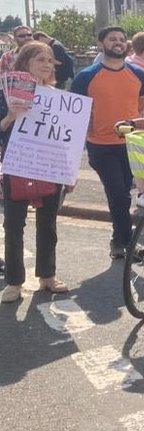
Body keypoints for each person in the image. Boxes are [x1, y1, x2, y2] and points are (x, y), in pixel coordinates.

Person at [0, 42, 69, 303]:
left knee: (48, 225)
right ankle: (14, 282)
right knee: (14, 225)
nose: (47, 65)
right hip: (17, 167)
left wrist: (69, 171)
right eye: (41, 59)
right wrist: (9, 117)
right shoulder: (6, 94)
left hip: (50, 168)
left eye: (50, 61)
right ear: (25, 62)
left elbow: (65, 139)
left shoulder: (59, 97)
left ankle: (47, 276)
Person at [71, 27, 144, 259]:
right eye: (112, 39)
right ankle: (124, 242)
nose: (118, 43)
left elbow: (140, 106)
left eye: (122, 40)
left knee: (124, 192)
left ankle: (120, 239)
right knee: (118, 194)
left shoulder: (138, 75)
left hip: (131, 143)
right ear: (101, 43)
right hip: (100, 146)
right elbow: (76, 112)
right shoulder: (86, 76)